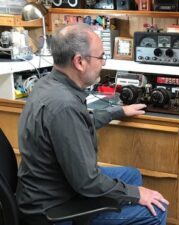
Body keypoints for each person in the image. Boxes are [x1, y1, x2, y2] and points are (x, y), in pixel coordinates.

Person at [16, 23, 169, 225]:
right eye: (100, 57)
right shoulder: (64, 106)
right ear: (79, 61)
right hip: (54, 207)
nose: (103, 63)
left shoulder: (48, 84)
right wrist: (136, 194)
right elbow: (87, 182)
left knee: (132, 175)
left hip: (46, 185)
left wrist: (118, 111)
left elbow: (78, 125)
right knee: (156, 212)